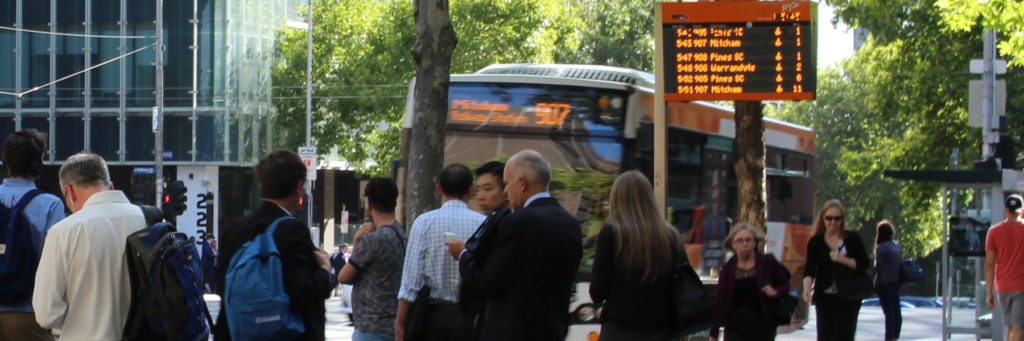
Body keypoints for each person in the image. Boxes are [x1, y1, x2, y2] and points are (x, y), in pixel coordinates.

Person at [455, 149, 582, 340]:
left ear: (522, 183)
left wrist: (463, 254)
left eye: (507, 183)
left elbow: (489, 283)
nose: (506, 191)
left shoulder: (518, 222)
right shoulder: (570, 223)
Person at [214, 149, 332, 341]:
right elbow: (303, 292)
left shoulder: (235, 229)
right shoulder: (292, 230)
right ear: (298, 186)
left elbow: (222, 285)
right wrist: (325, 269)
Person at [32, 153, 146, 340]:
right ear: (110, 186)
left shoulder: (64, 232)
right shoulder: (152, 220)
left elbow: (46, 314)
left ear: (70, 192)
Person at [396, 164, 485, 341]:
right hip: (470, 319)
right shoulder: (483, 224)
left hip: (431, 319)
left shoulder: (424, 223)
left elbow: (411, 281)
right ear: (471, 190)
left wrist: (400, 322)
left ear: (439, 189)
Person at [589, 171, 680, 340]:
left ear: (616, 199)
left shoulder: (611, 234)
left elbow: (597, 292)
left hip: (619, 331)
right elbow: (676, 288)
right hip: (659, 330)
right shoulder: (669, 236)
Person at [0, 130, 65, 341]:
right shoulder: (50, 204)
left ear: (6, 160)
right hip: (28, 312)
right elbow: (56, 263)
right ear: (38, 164)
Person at [338, 178, 406, 341]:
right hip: (397, 325)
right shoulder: (404, 236)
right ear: (394, 202)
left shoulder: (372, 240)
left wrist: (356, 241)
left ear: (369, 206)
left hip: (371, 328)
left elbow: (343, 277)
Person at [801, 199, 869, 341]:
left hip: (849, 296)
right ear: (823, 218)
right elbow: (810, 268)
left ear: (842, 219)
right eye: (829, 218)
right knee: (825, 335)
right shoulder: (816, 242)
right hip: (824, 296)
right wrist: (807, 289)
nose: (833, 222)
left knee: (844, 335)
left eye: (837, 218)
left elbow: (864, 264)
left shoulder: (853, 239)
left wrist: (843, 259)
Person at [712, 223, 791, 341]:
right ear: (733, 244)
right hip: (735, 327)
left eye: (748, 240)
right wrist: (714, 333)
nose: (744, 244)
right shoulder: (727, 269)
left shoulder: (767, 262)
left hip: (763, 325)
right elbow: (719, 301)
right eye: (739, 240)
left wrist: (775, 291)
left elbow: (785, 285)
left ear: (755, 242)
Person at [986, 194, 1024, 341]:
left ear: (1005, 210)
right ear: (1021, 211)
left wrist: (989, 293)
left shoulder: (993, 232)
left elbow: (989, 264)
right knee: (1019, 327)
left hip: (1003, 287)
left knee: (1011, 327)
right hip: (1021, 286)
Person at [874, 220, 902, 341]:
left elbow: (879, 266)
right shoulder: (897, 246)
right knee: (896, 310)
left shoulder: (880, 248)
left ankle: (889, 337)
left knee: (888, 312)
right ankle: (895, 335)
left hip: (883, 283)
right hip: (895, 281)